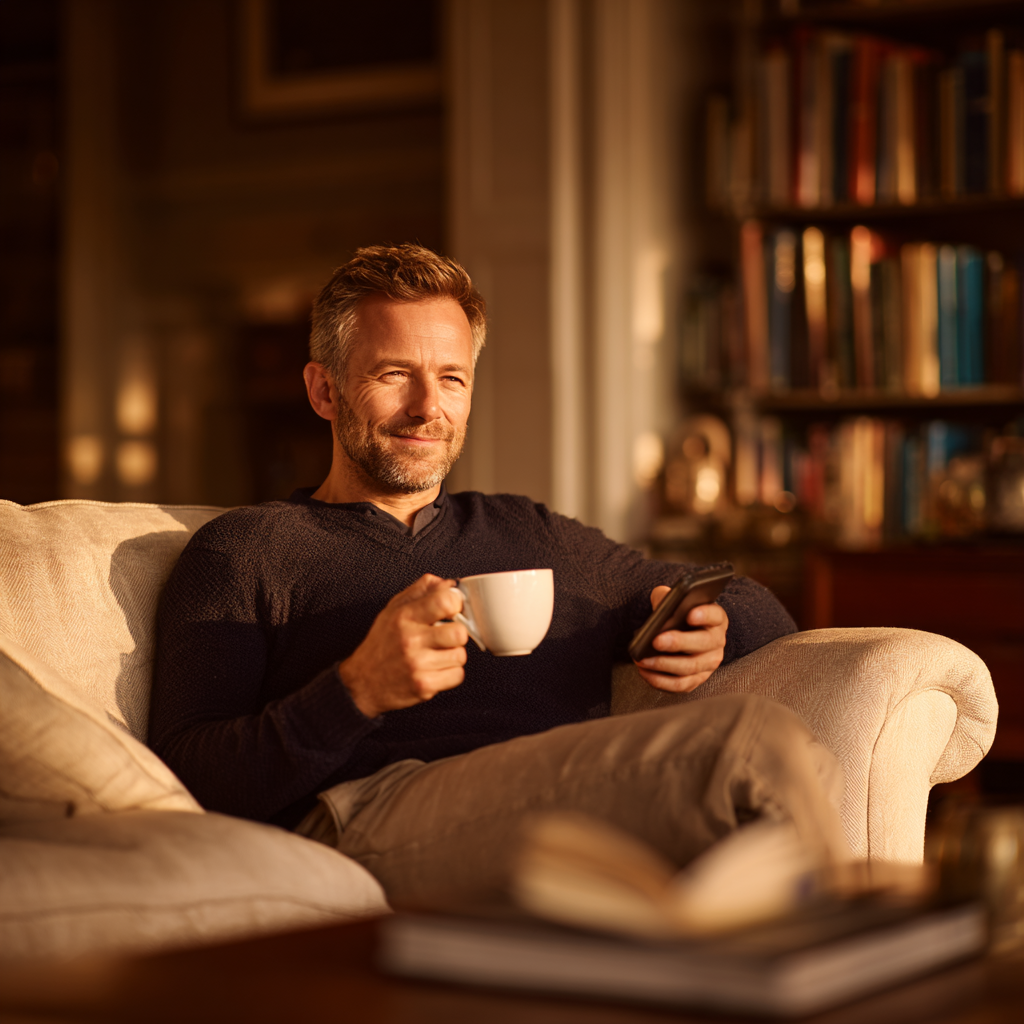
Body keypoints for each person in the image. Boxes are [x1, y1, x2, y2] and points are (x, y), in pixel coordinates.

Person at [149, 244, 849, 908]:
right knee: (748, 747)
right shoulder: (246, 550)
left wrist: (702, 629)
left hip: (560, 794)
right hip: (369, 815)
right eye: (394, 375)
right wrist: (356, 690)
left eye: (451, 378)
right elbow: (189, 777)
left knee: (790, 763)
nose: (429, 407)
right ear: (324, 390)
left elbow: (751, 602)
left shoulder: (529, 532)